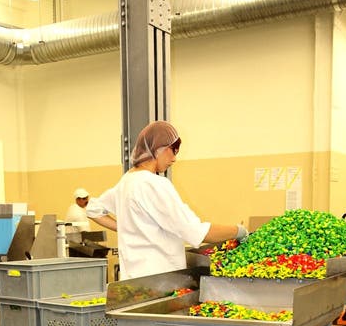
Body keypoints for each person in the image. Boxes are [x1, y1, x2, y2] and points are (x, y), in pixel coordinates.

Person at [86, 120, 248, 280]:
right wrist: (238, 231)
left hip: (132, 281)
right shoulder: (154, 184)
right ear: (159, 149)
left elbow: (93, 210)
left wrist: (127, 228)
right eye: (173, 151)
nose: (174, 159)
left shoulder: (127, 181)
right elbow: (194, 232)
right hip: (160, 281)